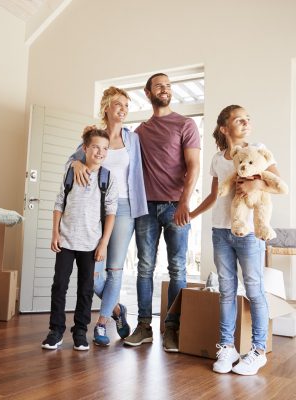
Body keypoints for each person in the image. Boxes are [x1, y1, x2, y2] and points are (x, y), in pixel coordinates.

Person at [190, 105, 286, 375]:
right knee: (226, 291)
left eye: (248, 119)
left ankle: (257, 350)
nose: (246, 122)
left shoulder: (258, 149)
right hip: (220, 231)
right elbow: (213, 196)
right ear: (224, 128)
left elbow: (277, 181)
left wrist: (256, 184)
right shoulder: (218, 159)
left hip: (250, 233)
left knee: (254, 289)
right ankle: (226, 346)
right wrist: (191, 214)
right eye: (238, 119)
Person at [122, 73, 201, 352]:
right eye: (159, 86)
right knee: (144, 268)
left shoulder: (185, 124)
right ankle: (144, 327)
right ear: (148, 93)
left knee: (178, 267)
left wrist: (184, 202)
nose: (165, 90)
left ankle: (172, 329)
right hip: (145, 209)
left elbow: (194, 167)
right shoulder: (140, 131)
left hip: (175, 208)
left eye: (168, 86)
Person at [69, 86, 148, 346]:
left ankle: (101, 325)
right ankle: (116, 310)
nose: (123, 109)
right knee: (92, 272)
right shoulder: (96, 137)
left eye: (126, 105)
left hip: (124, 208)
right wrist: (77, 163)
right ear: (106, 107)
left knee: (114, 269)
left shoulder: (132, 139)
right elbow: (69, 161)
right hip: (94, 208)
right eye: (118, 104)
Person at [41, 129, 118, 351]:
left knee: (85, 288)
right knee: (59, 285)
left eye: (105, 148)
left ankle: (81, 331)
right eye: (95, 146)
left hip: (91, 243)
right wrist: (55, 233)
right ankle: (55, 330)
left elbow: (111, 212)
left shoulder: (108, 177)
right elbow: (59, 203)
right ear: (84, 148)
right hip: (65, 239)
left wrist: (103, 242)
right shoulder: (70, 170)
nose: (100, 152)